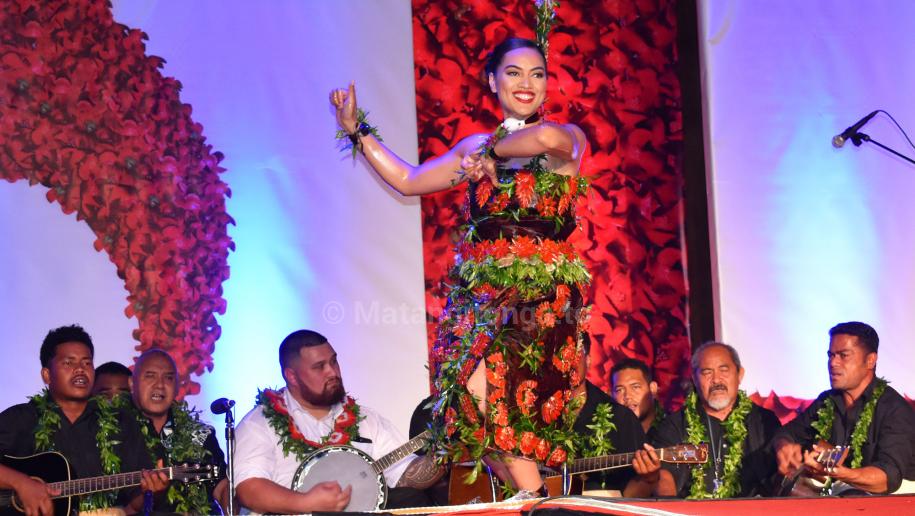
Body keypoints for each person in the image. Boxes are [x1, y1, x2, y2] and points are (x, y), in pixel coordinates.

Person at [330, 36, 589, 495]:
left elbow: (545, 136)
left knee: (506, 410)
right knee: (470, 407)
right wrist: (355, 130)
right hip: (481, 299)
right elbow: (409, 180)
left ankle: (535, 502)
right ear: (492, 81)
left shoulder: (565, 140)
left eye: (537, 74)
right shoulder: (473, 146)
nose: (526, 83)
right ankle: (534, 501)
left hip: (538, 300)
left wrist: (491, 155)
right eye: (513, 73)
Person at [233, 330, 443, 513]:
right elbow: (249, 489)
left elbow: (406, 477)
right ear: (292, 377)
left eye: (334, 361)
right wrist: (306, 502)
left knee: (411, 500)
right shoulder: (259, 423)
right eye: (319, 366)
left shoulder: (366, 419)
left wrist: (445, 451)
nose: (332, 372)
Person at [0, 325, 167, 515]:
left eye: (87, 363)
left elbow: (134, 505)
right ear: (46, 375)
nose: (80, 369)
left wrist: (152, 492)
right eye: (69, 363)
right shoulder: (21, 419)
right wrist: (21, 483)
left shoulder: (122, 423)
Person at [773, 322, 915, 495]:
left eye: (843, 355)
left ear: (870, 360)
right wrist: (785, 447)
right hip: (840, 497)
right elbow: (787, 433)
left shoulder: (895, 410)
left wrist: (838, 473)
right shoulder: (827, 401)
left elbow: (887, 478)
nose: (833, 363)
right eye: (830, 355)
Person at [650, 342, 780, 498]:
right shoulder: (675, 424)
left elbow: (780, 476)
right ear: (694, 379)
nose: (716, 380)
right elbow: (664, 476)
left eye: (724, 370)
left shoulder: (764, 421)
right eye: (707, 372)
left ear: (740, 374)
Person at [128, 349, 229, 513]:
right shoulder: (116, 431)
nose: (160, 385)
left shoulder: (201, 434)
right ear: (132, 383)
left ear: (177, 387)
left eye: (168, 378)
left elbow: (221, 487)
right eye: (150, 376)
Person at [611, 358, 663, 437]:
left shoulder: (674, 429)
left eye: (635, 387)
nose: (627, 396)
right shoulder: (607, 436)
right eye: (619, 390)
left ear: (653, 388)